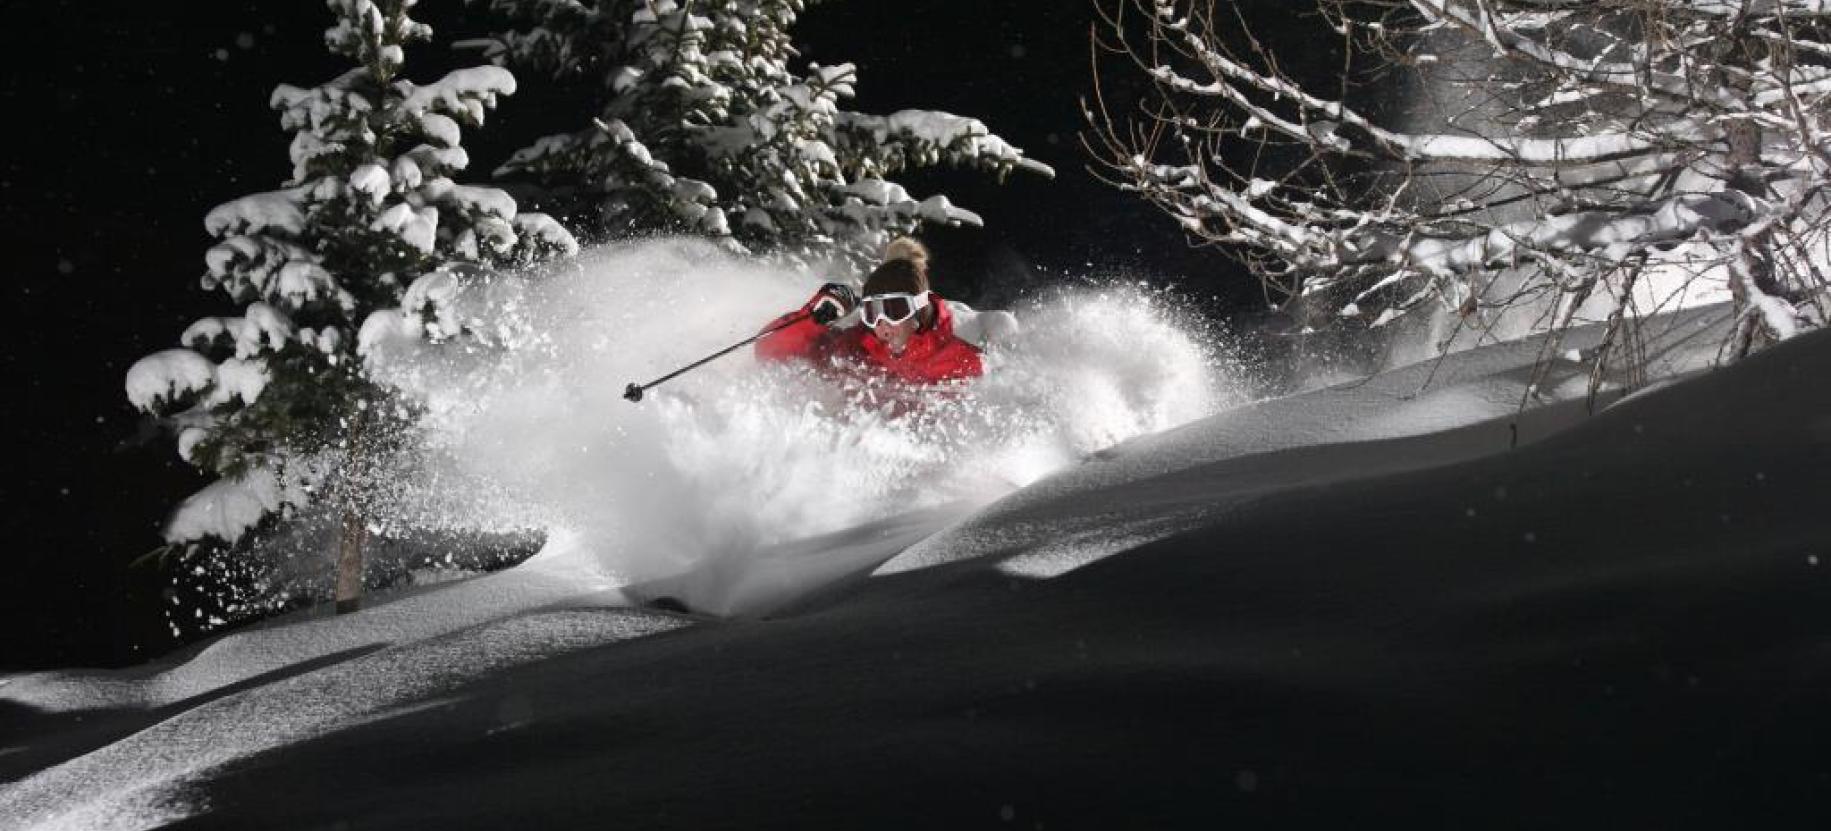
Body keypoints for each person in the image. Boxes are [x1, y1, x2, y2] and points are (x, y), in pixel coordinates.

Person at [755, 238, 1017, 386]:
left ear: (919, 309)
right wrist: (811, 319)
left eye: (894, 309)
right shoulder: (855, 349)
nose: (881, 323)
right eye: (872, 311)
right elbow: (768, 352)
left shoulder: (962, 361)